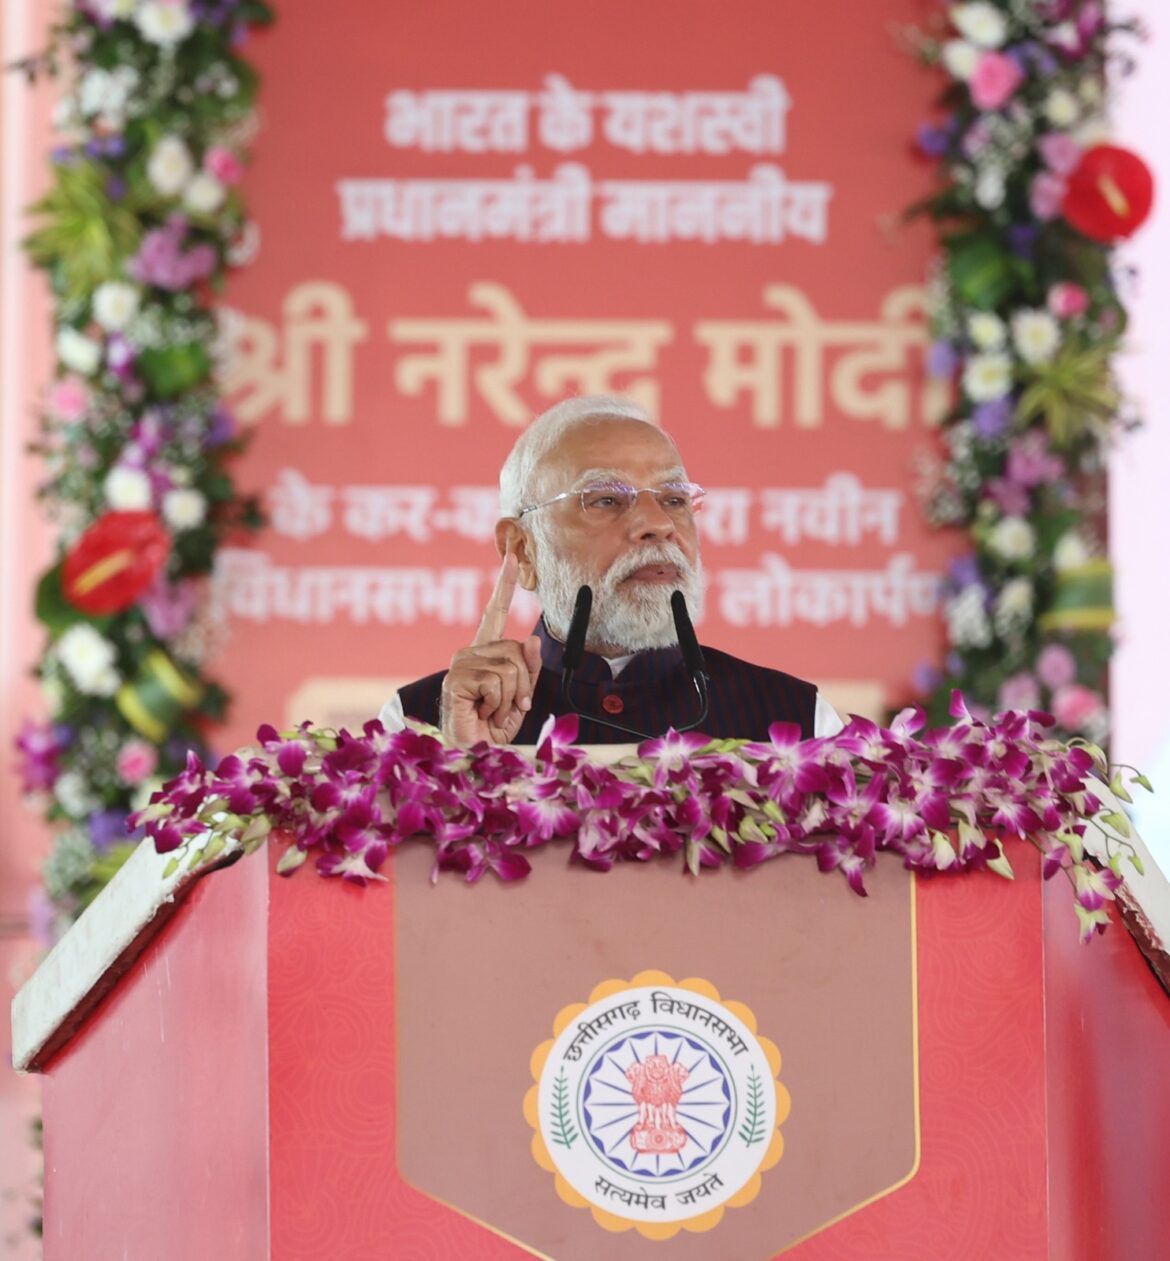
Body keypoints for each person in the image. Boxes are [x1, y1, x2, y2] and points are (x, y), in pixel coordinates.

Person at [379, 395, 843, 744]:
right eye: (605, 499)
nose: (657, 525)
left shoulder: (802, 725)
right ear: (522, 550)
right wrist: (460, 771)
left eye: (674, 499)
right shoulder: (417, 725)